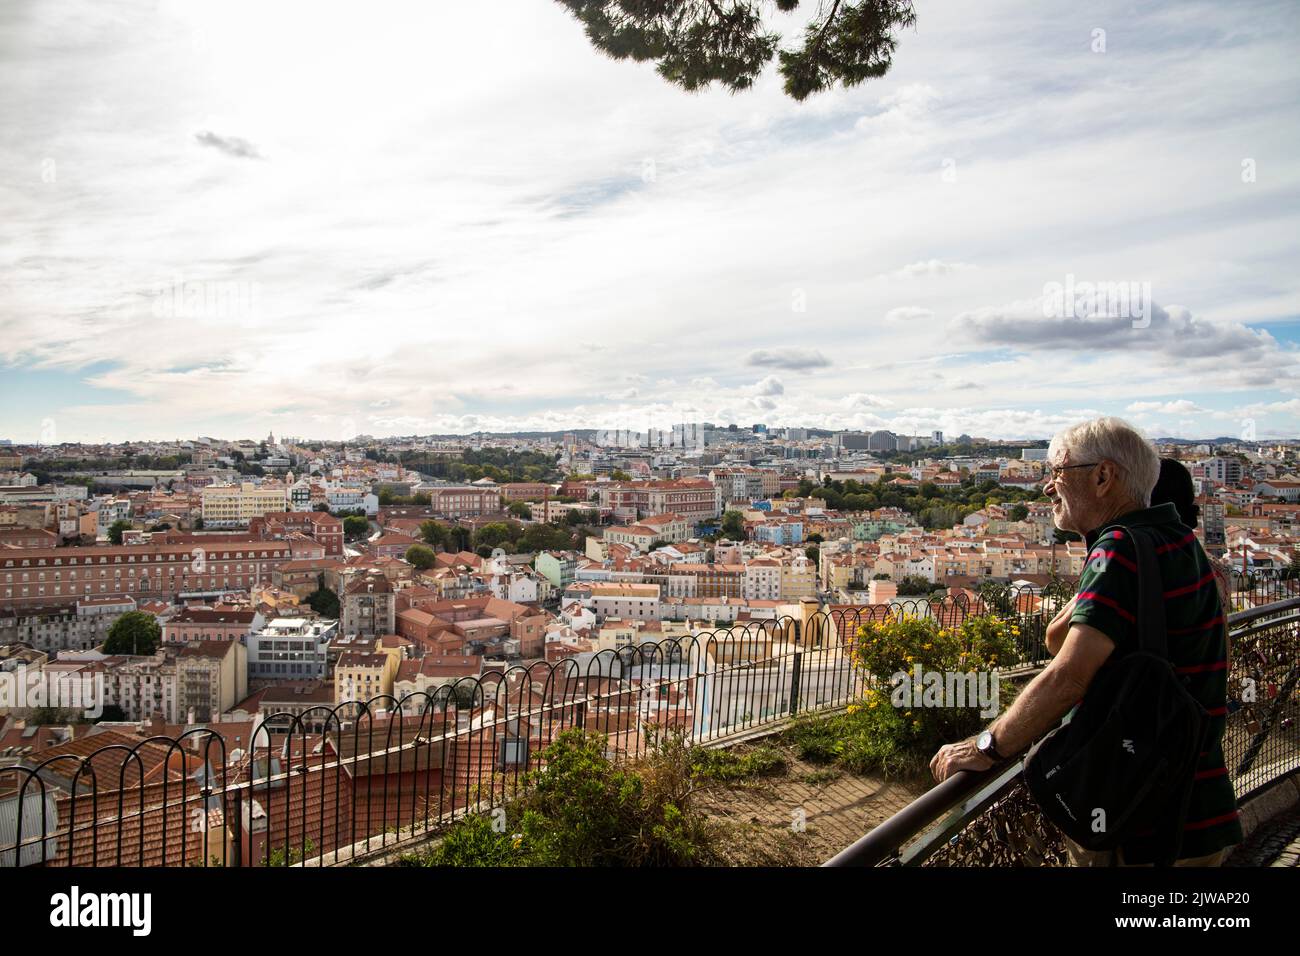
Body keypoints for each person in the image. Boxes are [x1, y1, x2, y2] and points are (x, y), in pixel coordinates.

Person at [930, 418, 1242, 866]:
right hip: (1197, 799)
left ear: (1102, 477)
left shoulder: (1120, 548)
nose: (1047, 489)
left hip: (1135, 814)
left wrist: (987, 745)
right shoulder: (1176, 540)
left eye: (1057, 472)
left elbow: (1069, 673)